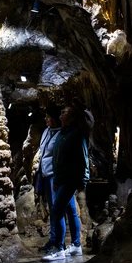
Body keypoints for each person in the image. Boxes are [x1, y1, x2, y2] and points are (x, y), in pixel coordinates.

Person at [42, 99, 93, 261]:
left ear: (72, 117)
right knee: (70, 211)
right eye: (62, 111)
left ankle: (59, 248)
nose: (61, 114)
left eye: (65, 112)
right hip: (60, 179)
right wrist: (56, 179)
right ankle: (76, 245)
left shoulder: (76, 135)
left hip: (70, 180)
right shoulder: (62, 134)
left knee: (56, 210)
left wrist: (82, 181)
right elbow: (57, 160)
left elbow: (83, 159)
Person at [34, 104, 79, 253]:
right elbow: (44, 153)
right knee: (56, 209)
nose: (45, 119)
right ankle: (54, 240)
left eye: (48, 116)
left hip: (58, 176)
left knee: (65, 209)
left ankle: (67, 244)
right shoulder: (47, 132)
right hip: (47, 175)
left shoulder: (63, 134)